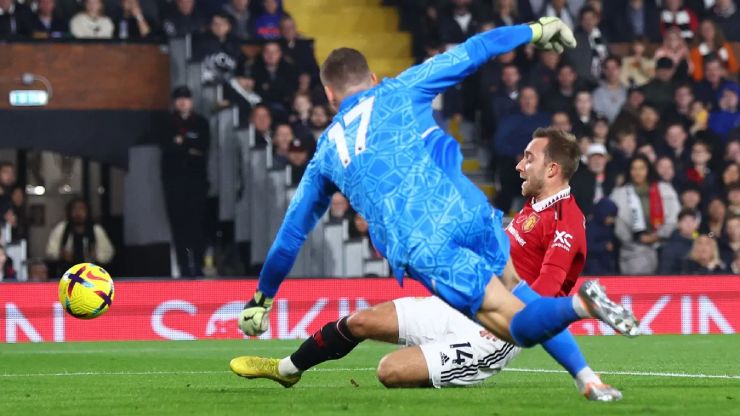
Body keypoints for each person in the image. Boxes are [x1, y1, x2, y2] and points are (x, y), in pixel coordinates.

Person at [231, 18, 638, 401]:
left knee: (512, 325)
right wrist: (535, 29)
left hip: (425, 240)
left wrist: (262, 298)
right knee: (520, 295)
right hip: (468, 208)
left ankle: (579, 305)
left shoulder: (324, 155)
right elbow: (477, 48)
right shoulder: (401, 87)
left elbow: (291, 237)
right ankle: (586, 376)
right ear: (372, 79)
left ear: (329, 95)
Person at [232, 131, 625, 400]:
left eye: (529, 158)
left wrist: (581, 369)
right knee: (360, 322)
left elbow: (543, 296)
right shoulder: (533, 207)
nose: (520, 165)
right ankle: (286, 369)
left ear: (552, 169)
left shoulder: (566, 224)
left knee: (389, 372)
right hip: (466, 302)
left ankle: (453, 368)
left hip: (492, 335)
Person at [160, 86, 210, 277]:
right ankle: (183, 267)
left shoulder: (201, 122)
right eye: (179, 98)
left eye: (186, 98)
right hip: (174, 184)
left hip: (196, 182)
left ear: (191, 101)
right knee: (178, 227)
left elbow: (203, 147)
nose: (182, 102)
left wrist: (181, 143)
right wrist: (189, 147)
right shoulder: (166, 122)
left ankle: (197, 265)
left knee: (197, 225)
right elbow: (167, 147)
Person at [610, 155, 680, 274]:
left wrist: (658, 235)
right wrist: (639, 238)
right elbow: (617, 224)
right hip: (633, 250)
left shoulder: (664, 189)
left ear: (648, 170)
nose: (638, 172)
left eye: (642, 168)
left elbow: (675, 217)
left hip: (665, 244)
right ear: (629, 171)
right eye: (634, 168)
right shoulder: (618, 194)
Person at [46, 198, 114, 275]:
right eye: (75, 209)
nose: (78, 213)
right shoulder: (61, 228)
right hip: (66, 274)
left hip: (91, 274)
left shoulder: (96, 230)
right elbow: (50, 251)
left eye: (81, 209)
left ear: (87, 211)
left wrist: (97, 256)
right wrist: (61, 254)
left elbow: (108, 253)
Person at [659, 208, 699, 274]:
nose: (689, 224)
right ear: (678, 224)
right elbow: (665, 274)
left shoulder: (700, 244)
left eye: (692, 221)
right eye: (685, 221)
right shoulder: (670, 248)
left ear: (696, 225)